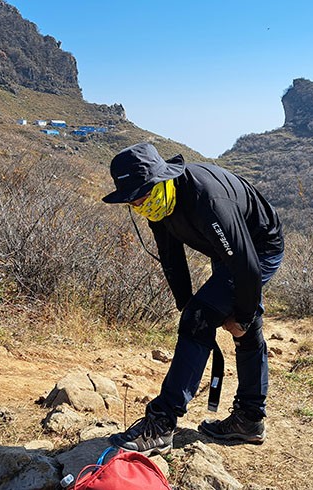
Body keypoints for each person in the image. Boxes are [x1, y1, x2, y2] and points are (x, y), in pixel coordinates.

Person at [102, 142, 284, 456]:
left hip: (258, 249)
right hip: (227, 250)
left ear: (161, 179)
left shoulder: (206, 199)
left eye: (143, 195)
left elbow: (246, 265)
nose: (140, 205)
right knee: (206, 317)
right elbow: (170, 255)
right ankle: (250, 420)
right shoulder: (157, 203)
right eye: (133, 201)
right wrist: (185, 301)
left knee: (222, 321)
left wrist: (239, 315)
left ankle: (161, 423)